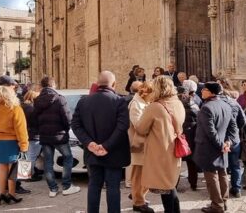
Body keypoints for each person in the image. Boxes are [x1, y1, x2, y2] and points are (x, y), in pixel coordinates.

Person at [71, 71, 130, 213]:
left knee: (94, 186)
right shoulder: (119, 101)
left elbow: (76, 125)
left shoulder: (84, 101)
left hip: (93, 153)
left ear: (97, 84)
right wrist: (106, 145)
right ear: (114, 84)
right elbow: (122, 126)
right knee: (113, 187)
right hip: (113, 152)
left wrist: (89, 143)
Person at [136, 75, 185, 213]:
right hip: (175, 149)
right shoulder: (178, 103)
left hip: (160, 151)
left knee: (165, 188)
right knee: (170, 184)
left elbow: (141, 128)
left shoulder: (155, 107)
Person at [193, 81, 239, 213]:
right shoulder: (226, 105)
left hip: (209, 147)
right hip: (222, 145)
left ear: (211, 92)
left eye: (204, 89)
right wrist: (228, 143)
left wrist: (223, 145)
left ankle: (217, 205)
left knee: (212, 176)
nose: (201, 91)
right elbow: (233, 128)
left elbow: (210, 132)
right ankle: (223, 201)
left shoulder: (206, 108)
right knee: (222, 173)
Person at [33, 76, 80, 197]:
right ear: (53, 85)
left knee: (48, 162)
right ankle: (66, 186)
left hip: (45, 136)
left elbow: (35, 119)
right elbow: (67, 117)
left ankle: (53, 189)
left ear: (42, 86)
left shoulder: (37, 100)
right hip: (59, 135)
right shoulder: (60, 99)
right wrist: (66, 129)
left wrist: (41, 130)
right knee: (68, 157)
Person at [0, 85, 28, 205]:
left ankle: (2, 193)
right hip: (12, 142)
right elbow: (21, 130)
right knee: (13, 169)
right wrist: (24, 145)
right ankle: (12, 194)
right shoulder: (15, 109)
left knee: (1, 169)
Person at [128, 81, 154, 212]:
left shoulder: (145, 103)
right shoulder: (136, 104)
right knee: (138, 173)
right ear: (145, 93)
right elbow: (138, 125)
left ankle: (138, 195)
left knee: (146, 172)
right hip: (139, 143)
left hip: (146, 143)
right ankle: (138, 202)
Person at [219, 88, 245, 198]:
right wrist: (236, 130)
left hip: (221, 138)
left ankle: (222, 190)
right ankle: (237, 188)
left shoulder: (216, 104)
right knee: (235, 165)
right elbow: (242, 120)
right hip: (234, 138)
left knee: (221, 165)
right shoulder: (235, 103)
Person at [177, 84, 199, 191]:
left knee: (177, 161)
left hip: (179, 136)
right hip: (191, 136)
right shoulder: (195, 104)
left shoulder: (176, 105)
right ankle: (193, 183)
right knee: (191, 161)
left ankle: (174, 184)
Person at [21, 90, 42, 182]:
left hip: (25, 134)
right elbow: (36, 123)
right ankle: (29, 175)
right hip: (33, 134)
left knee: (25, 155)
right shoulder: (32, 109)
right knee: (32, 155)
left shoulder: (21, 106)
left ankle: (24, 174)